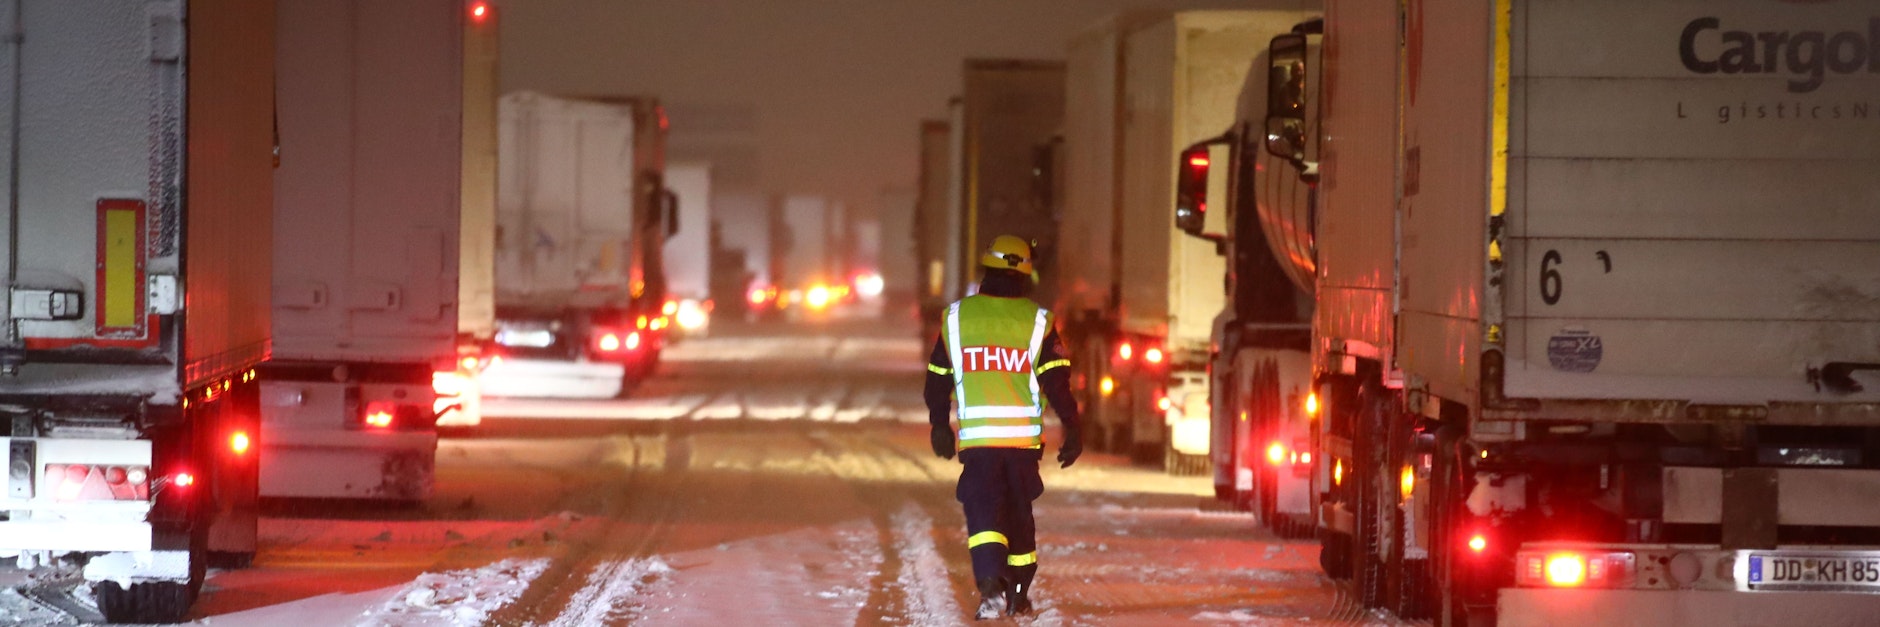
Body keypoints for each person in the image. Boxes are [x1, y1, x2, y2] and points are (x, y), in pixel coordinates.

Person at [924, 234, 1082, 619]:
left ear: (986, 270)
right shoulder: (1038, 322)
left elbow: (937, 379)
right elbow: (1056, 384)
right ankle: (1018, 591)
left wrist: (939, 424)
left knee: (983, 514)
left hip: (979, 444)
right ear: (1026, 274)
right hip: (1021, 446)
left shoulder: (958, 318)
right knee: (1017, 513)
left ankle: (991, 585)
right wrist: (1073, 428)